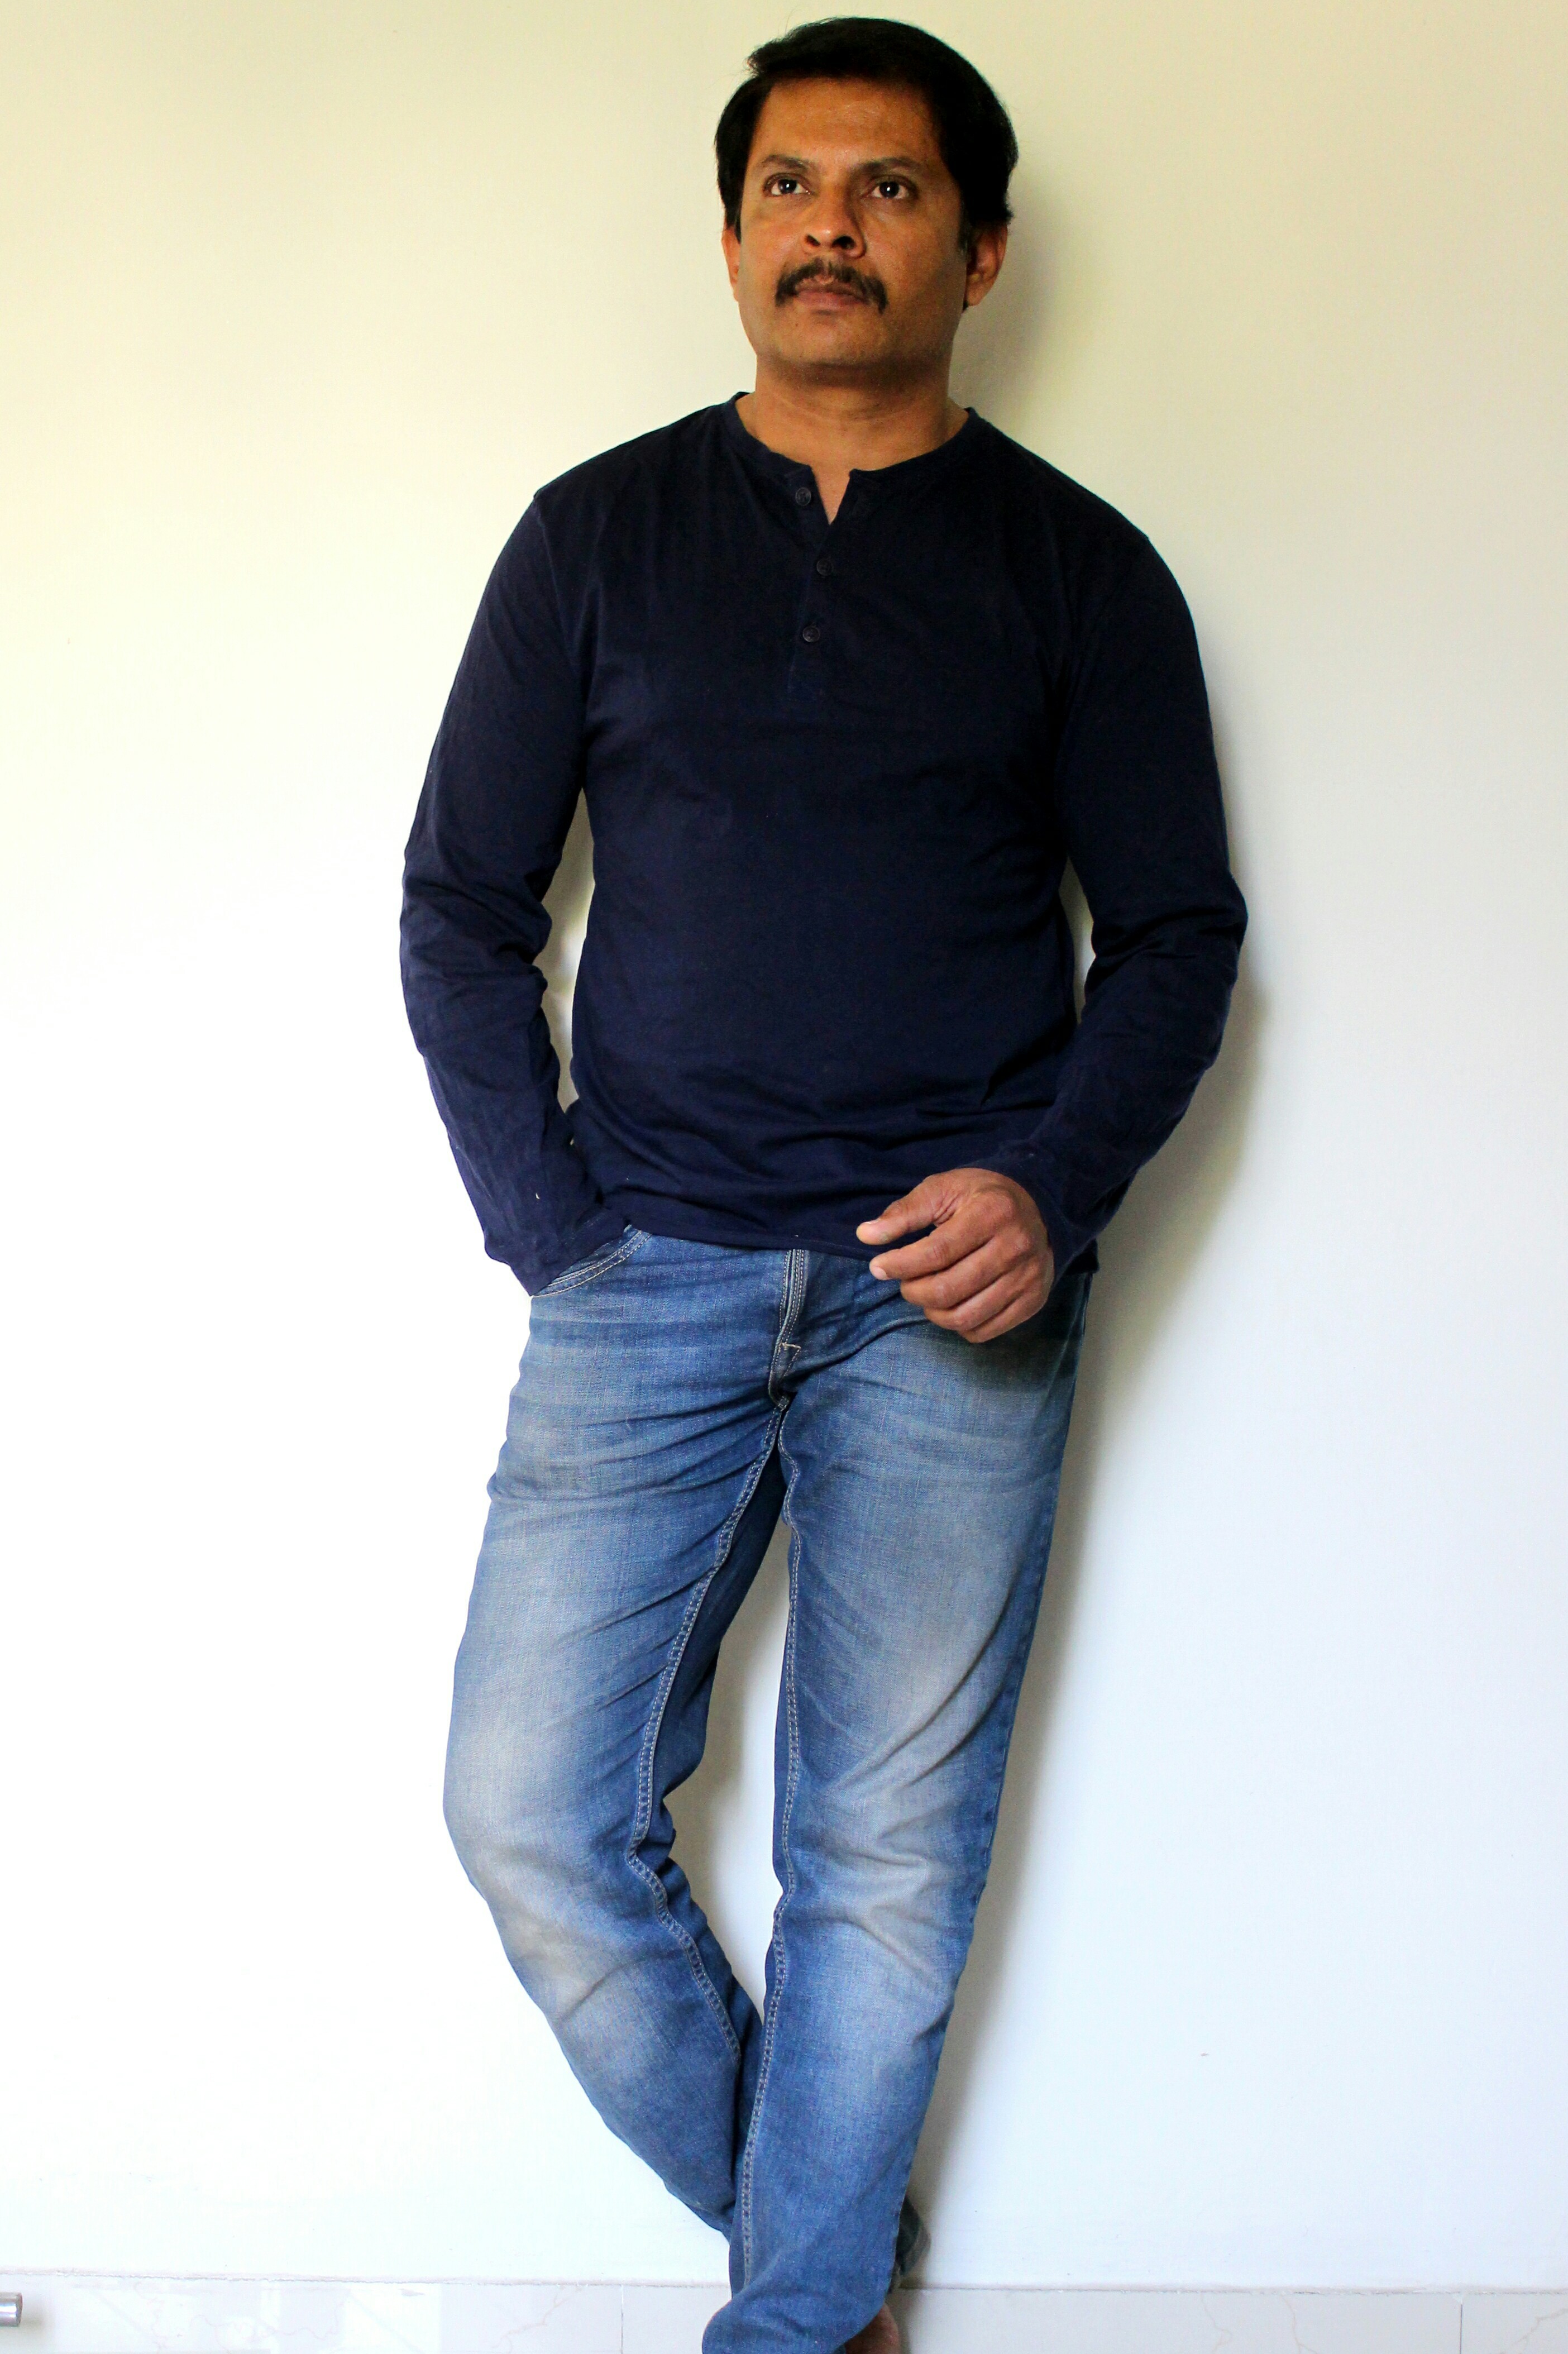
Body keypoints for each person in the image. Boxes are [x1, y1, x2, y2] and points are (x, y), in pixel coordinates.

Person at [400, 17, 1246, 2350]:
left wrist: (1052, 1191)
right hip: (643, 1266)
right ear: (732, 235)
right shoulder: (596, 538)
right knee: (526, 1814)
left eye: (888, 189)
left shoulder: (1083, 573)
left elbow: (1181, 936)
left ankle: (790, 2330)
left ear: (981, 250)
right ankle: (835, 2267)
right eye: (790, 185)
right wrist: (555, 1228)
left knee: (882, 1859)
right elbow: (461, 904)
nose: (832, 228)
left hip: (951, 1303)